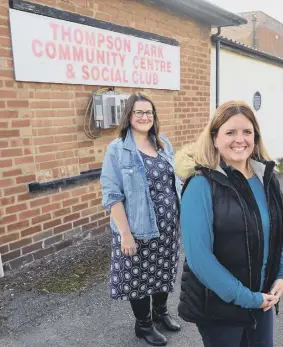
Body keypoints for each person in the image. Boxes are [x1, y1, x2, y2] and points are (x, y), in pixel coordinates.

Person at [175, 100, 283, 347]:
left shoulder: (266, 178)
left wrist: (282, 274)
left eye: (247, 132)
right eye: (230, 132)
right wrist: (247, 298)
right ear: (215, 138)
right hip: (220, 306)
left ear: (256, 138)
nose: (240, 139)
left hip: (262, 300)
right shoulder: (201, 185)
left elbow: (282, 229)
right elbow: (199, 258)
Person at [100, 93, 183, 346]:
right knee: (139, 278)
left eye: (149, 112)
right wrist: (125, 234)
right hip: (137, 228)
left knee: (163, 272)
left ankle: (160, 314)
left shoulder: (163, 143)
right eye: (139, 112)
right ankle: (143, 326)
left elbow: (175, 181)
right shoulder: (118, 149)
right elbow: (112, 194)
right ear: (129, 116)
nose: (145, 117)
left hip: (168, 228)